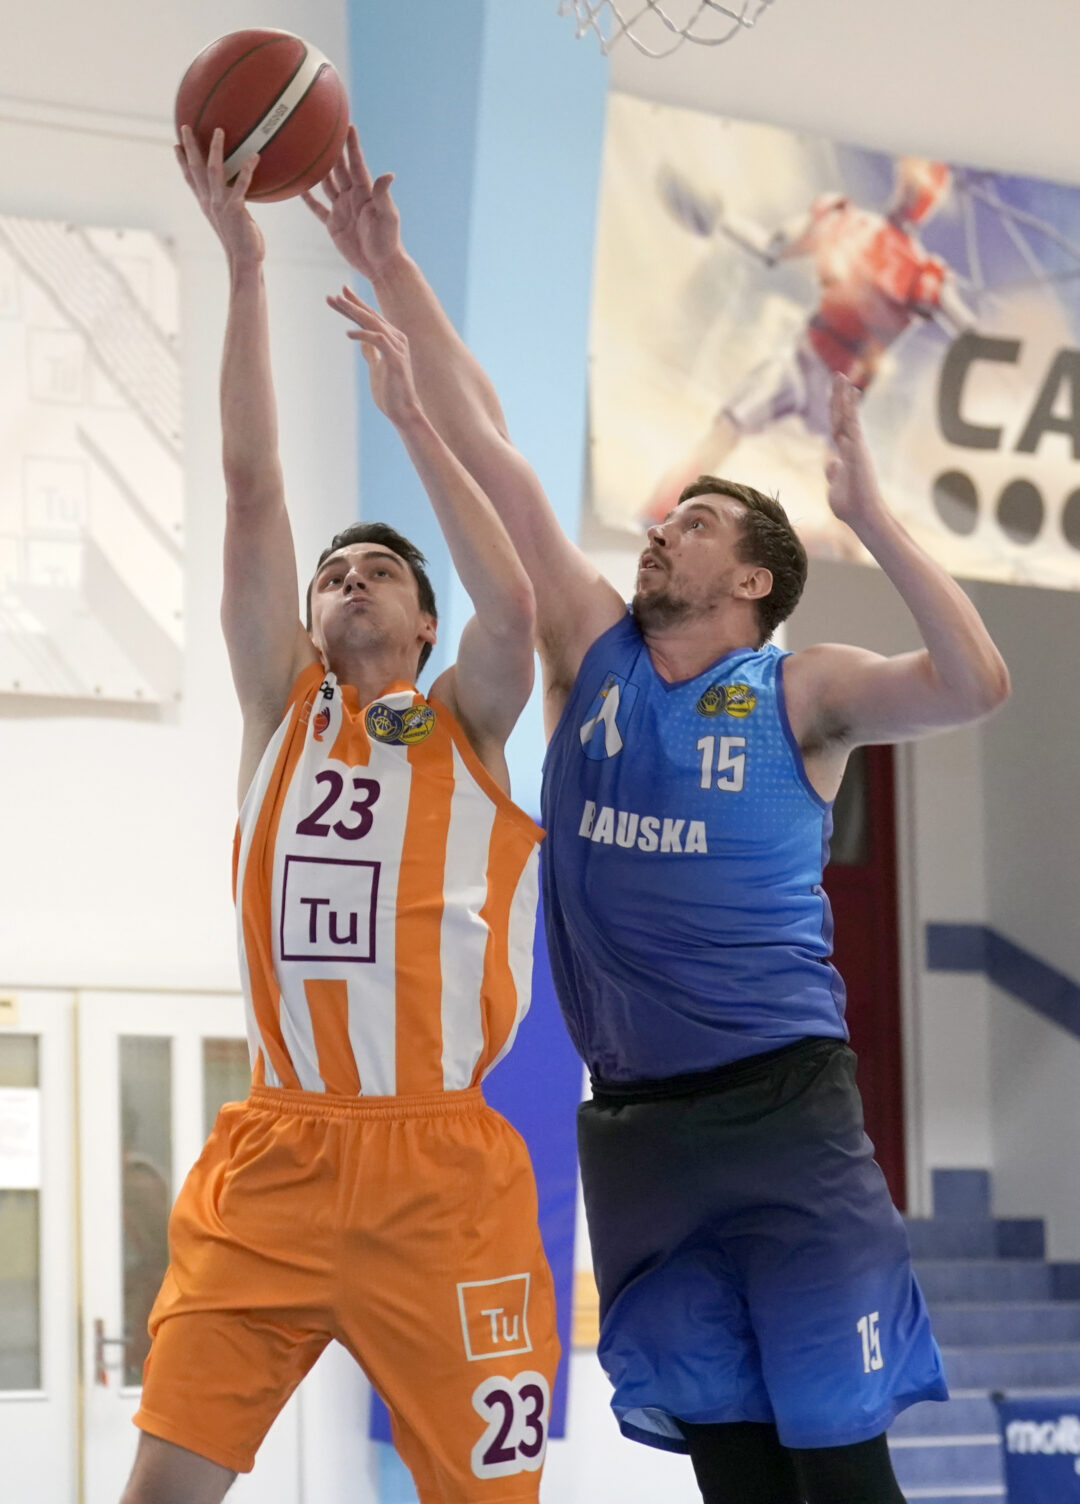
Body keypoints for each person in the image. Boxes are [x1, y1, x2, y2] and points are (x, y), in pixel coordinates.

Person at [303, 128, 1011, 1504]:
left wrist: (872, 511)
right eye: (664, 519)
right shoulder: (591, 650)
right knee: (733, 1482)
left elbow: (975, 683)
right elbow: (494, 444)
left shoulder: (801, 690)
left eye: (693, 525)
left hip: (787, 1117)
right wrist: (391, 268)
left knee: (840, 1477)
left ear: (753, 580)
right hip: (635, 1132)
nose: (658, 532)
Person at [119, 127, 559, 1504]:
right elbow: (251, 489)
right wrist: (245, 267)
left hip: (444, 1169)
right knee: (162, 1491)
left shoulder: (467, 720)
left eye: (380, 572)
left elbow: (516, 607)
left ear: (423, 623)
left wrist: (413, 418)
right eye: (334, 574)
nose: (350, 580)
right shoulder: (280, 706)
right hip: (279, 1153)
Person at [646, 156, 976, 531]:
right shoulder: (845, 222)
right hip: (800, 360)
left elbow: (969, 331)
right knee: (724, 430)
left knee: (847, 497)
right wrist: (720, 219)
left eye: (923, 191)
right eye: (911, 185)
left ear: (931, 200)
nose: (913, 196)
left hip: (842, 392)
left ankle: (857, 558)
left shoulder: (923, 276)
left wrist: (969, 326)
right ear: (901, 182)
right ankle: (657, 515)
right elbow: (771, 246)